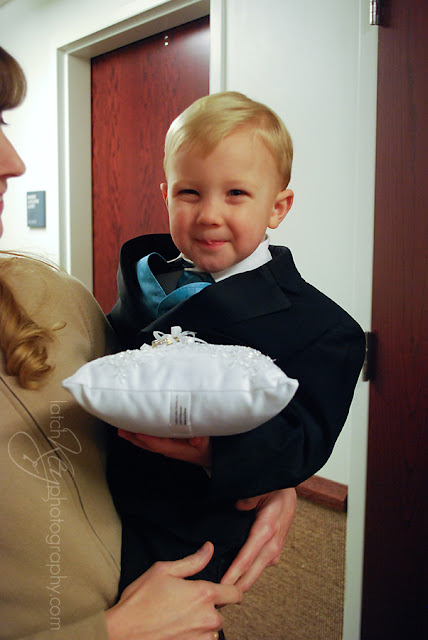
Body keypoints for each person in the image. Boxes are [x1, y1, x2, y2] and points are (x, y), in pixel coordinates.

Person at [0, 47, 297, 640]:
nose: (15, 161)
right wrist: (111, 632)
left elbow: (155, 396)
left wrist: (258, 466)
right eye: (189, 193)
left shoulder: (49, 295)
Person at [107, 91, 366, 607]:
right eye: (189, 192)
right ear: (166, 194)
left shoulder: (324, 329)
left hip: (188, 525)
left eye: (236, 194)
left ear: (278, 207)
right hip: (96, 489)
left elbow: (302, 442)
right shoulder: (145, 277)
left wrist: (214, 448)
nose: (209, 214)